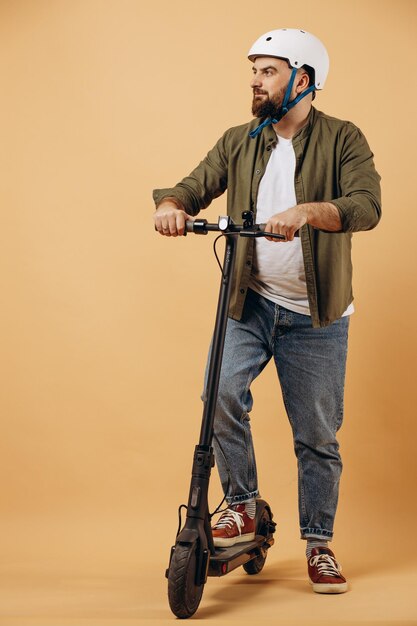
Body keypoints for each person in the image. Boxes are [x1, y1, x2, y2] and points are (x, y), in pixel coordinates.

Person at [152, 28, 381, 594]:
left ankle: (319, 543)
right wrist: (172, 205)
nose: (255, 80)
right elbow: (194, 183)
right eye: (254, 70)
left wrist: (307, 211)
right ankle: (245, 505)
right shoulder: (239, 140)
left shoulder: (343, 138)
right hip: (249, 302)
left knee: (317, 435)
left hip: (316, 316)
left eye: (268, 71)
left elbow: (366, 205)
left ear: (302, 79)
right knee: (220, 394)